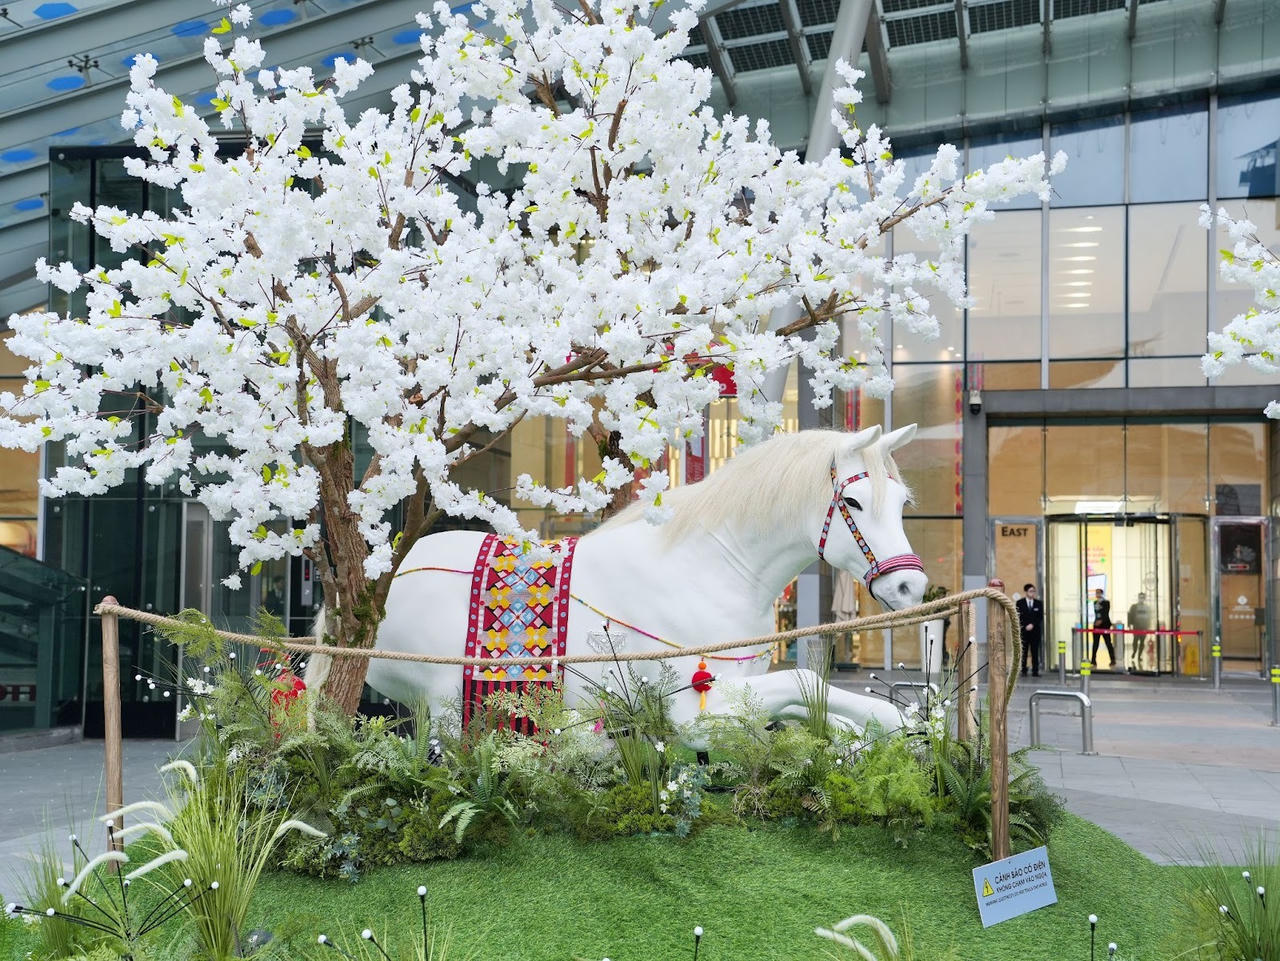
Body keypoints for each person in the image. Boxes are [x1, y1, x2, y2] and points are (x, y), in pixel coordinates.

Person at [1016, 583, 1044, 677]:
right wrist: (1025, 626)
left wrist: (1032, 624)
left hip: (1035, 632)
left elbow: (1040, 617)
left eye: (1033, 591)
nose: (1032, 593)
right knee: (1023, 651)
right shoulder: (1020, 603)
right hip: (1024, 632)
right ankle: (1023, 670)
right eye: (1030, 591)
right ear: (1026, 592)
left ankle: (1035, 671)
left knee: (1035, 651)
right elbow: (1018, 616)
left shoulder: (1038, 603)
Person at [1127, 592, 1153, 669]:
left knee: (1142, 642)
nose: (1141, 599)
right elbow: (1130, 615)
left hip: (1144, 626)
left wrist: (1149, 626)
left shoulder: (1147, 607)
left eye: (1143, 597)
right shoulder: (1134, 606)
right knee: (1135, 640)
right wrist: (1129, 625)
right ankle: (1134, 652)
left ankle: (1139, 656)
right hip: (1136, 626)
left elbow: (1150, 617)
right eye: (1140, 597)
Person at [1091, 587, 1115, 669]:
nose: (1097, 594)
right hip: (1096, 625)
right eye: (1096, 593)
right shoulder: (1095, 603)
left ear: (1102, 593)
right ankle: (1093, 660)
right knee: (1095, 644)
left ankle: (1112, 659)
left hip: (1105, 625)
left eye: (1098, 592)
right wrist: (1096, 622)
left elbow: (1105, 613)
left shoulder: (1106, 602)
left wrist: (1101, 621)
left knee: (1108, 643)